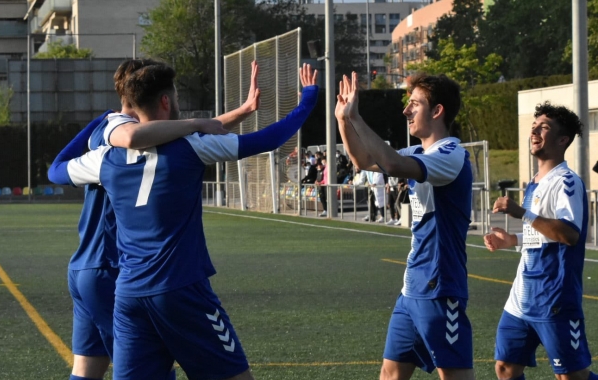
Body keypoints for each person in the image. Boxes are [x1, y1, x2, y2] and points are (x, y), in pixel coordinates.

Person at [49, 62, 317, 380]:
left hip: (129, 296)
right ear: (166, 101)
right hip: (181, 291)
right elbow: (270, 139)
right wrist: (308, 99)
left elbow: (57, 170)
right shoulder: (191, 147)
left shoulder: (105, 157)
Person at [336, 71, 473, 380]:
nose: (405, 111)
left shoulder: (451, 154)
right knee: (390, 374)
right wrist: (344, 120)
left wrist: (356, 118)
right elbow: (362, 161)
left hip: (440, 287)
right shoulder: (418, 152)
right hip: (411, 288)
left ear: (437, 111)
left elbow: (393, 165)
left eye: (414, 104)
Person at [483, 102, 597, 380]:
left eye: (543, 128)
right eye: (534, 126)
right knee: (505, 368)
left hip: (554, 297)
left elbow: (569, 234)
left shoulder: (567, 182)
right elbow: (545, 234)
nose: (534, 131)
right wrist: (514, 239)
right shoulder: (535, 181)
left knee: (571, 377)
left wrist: (520, 213)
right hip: (521, 298)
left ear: (562, 140)